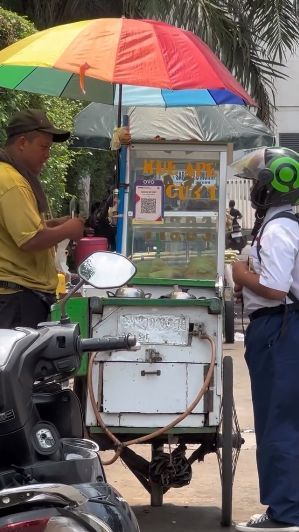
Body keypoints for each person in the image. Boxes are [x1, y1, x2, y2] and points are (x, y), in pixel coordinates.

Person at [231, 146, 299, 532]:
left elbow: (274, 288)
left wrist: (240, 275)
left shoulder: (278, 229)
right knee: (285, 418)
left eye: (258, 181)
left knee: (278, 421)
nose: (254, 188)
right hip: (282, 326)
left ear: (271, 188)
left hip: (280, 328)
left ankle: (285, 513)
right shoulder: (280, 226)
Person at [0, 108, 85, 329]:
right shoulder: (12, 182)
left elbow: (14, 231)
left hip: (15, 297)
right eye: (43, 147)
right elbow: (29, 239)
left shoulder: (9, 175)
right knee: (19, 364)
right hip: (16, 299)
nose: (48, 155)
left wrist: (52, 225)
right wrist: (69, 230)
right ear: (21, 143)